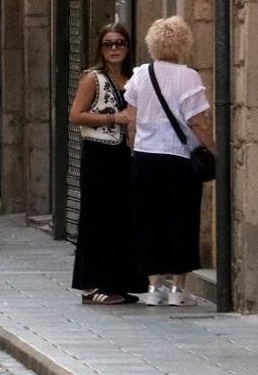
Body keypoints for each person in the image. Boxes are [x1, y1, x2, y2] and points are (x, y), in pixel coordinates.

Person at [125, 16, 216, 307]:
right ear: (183, 42)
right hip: (179, 159)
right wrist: (215, 151)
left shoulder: (141, 74)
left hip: (145, 157)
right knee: (182, 220)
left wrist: (135, 145)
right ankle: (178, 289)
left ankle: (153, 288)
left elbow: (131, 119)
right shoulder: (188, 77)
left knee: (148, 220)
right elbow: (198, 122)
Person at [67, 23, 147, 304]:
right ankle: (94, 283)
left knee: (122, 218)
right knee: (97, 216)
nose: (114, 49)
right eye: (108, 44)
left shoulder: (135, 78)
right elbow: (76, 115)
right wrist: (114, 119)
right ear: (100, 48)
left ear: (128, 46)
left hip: (126, 155)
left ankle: (119, 281)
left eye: (120, 43)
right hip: (99, 153)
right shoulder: (93, 78)